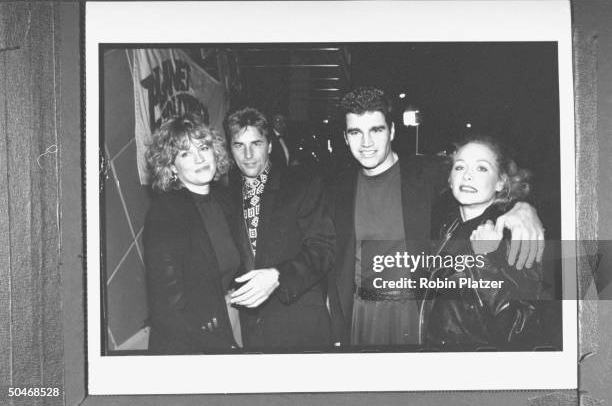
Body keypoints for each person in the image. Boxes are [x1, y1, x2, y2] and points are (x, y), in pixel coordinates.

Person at [327, 87, 545, 347]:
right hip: (361, 317)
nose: (366, 143)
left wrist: (523, 208)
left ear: (392, 131)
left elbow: (482, 180)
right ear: (345, 137)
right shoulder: (335, 189)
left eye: (376, 130)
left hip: (417, 318)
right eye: (355, 132)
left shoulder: (428, 174)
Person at [225, 107, 334, 350]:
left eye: (256, 143)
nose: (249, 154)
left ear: (270, 146)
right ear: (230, 151)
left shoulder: (300, 184)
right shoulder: (226, 196)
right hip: (251, 330)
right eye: (239, 145)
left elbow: (323, 249)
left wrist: (278, 276)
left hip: (298, 322)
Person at [420, 136, 544, 348]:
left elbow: (520, 327)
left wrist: (485, 260)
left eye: (481, 168)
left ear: (501, 182)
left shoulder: (515, 234)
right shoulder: (446, 225)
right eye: (460, 167)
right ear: (450, 179)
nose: (467, 176)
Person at [143, 114, 241, 354]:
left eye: (204, 147)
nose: (199, 159)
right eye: (185, 153)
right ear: (171, 166)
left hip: (224, 322)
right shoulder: (165, 212)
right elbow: (167, 303)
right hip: (188, 342)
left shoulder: (224, 201)